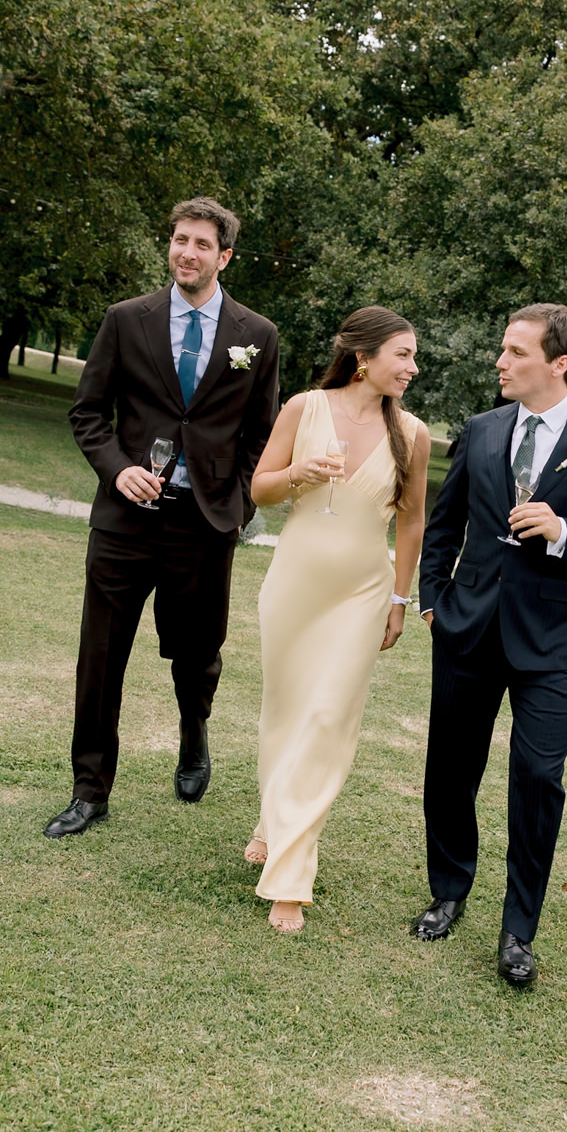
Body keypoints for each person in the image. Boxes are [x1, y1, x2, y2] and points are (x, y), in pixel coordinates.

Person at [411, 303, 567, 986]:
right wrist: (434, 599)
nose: (501, 362)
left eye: (515, 352)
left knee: (539, 777)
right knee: (451, 766)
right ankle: (449, 889)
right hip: (467, 624)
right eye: (503, 348)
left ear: (558, 363)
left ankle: (518, 930)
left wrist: (564, 529)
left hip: (552, 635)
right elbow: (444, 522)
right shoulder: (482, 430)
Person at [45, 198, 279, 838]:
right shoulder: (126, 320)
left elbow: (262, 433)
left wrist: (238, 506)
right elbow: (88, 413)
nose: (187, 252)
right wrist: (116, 469)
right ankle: (90, 791)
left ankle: (193, 731)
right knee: (100, 657)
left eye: (202, 244)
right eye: (180, 240)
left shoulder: (257, 335)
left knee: (197, 655)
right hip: (125, 521)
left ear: (224, 257)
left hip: (205, 526)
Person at [242, 307, 430, 932]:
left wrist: (399, 600)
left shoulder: (413, 434)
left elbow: (411, 521)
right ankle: (272, 822)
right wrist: (297, 473)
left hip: (361, 594)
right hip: (294, 586)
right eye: (403, 354)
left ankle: (290, 878)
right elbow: (260, 489)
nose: (412, 367)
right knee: (286, 710)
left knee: (327, 718)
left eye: (413, 356)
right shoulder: (304, 408)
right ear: (364, 357)